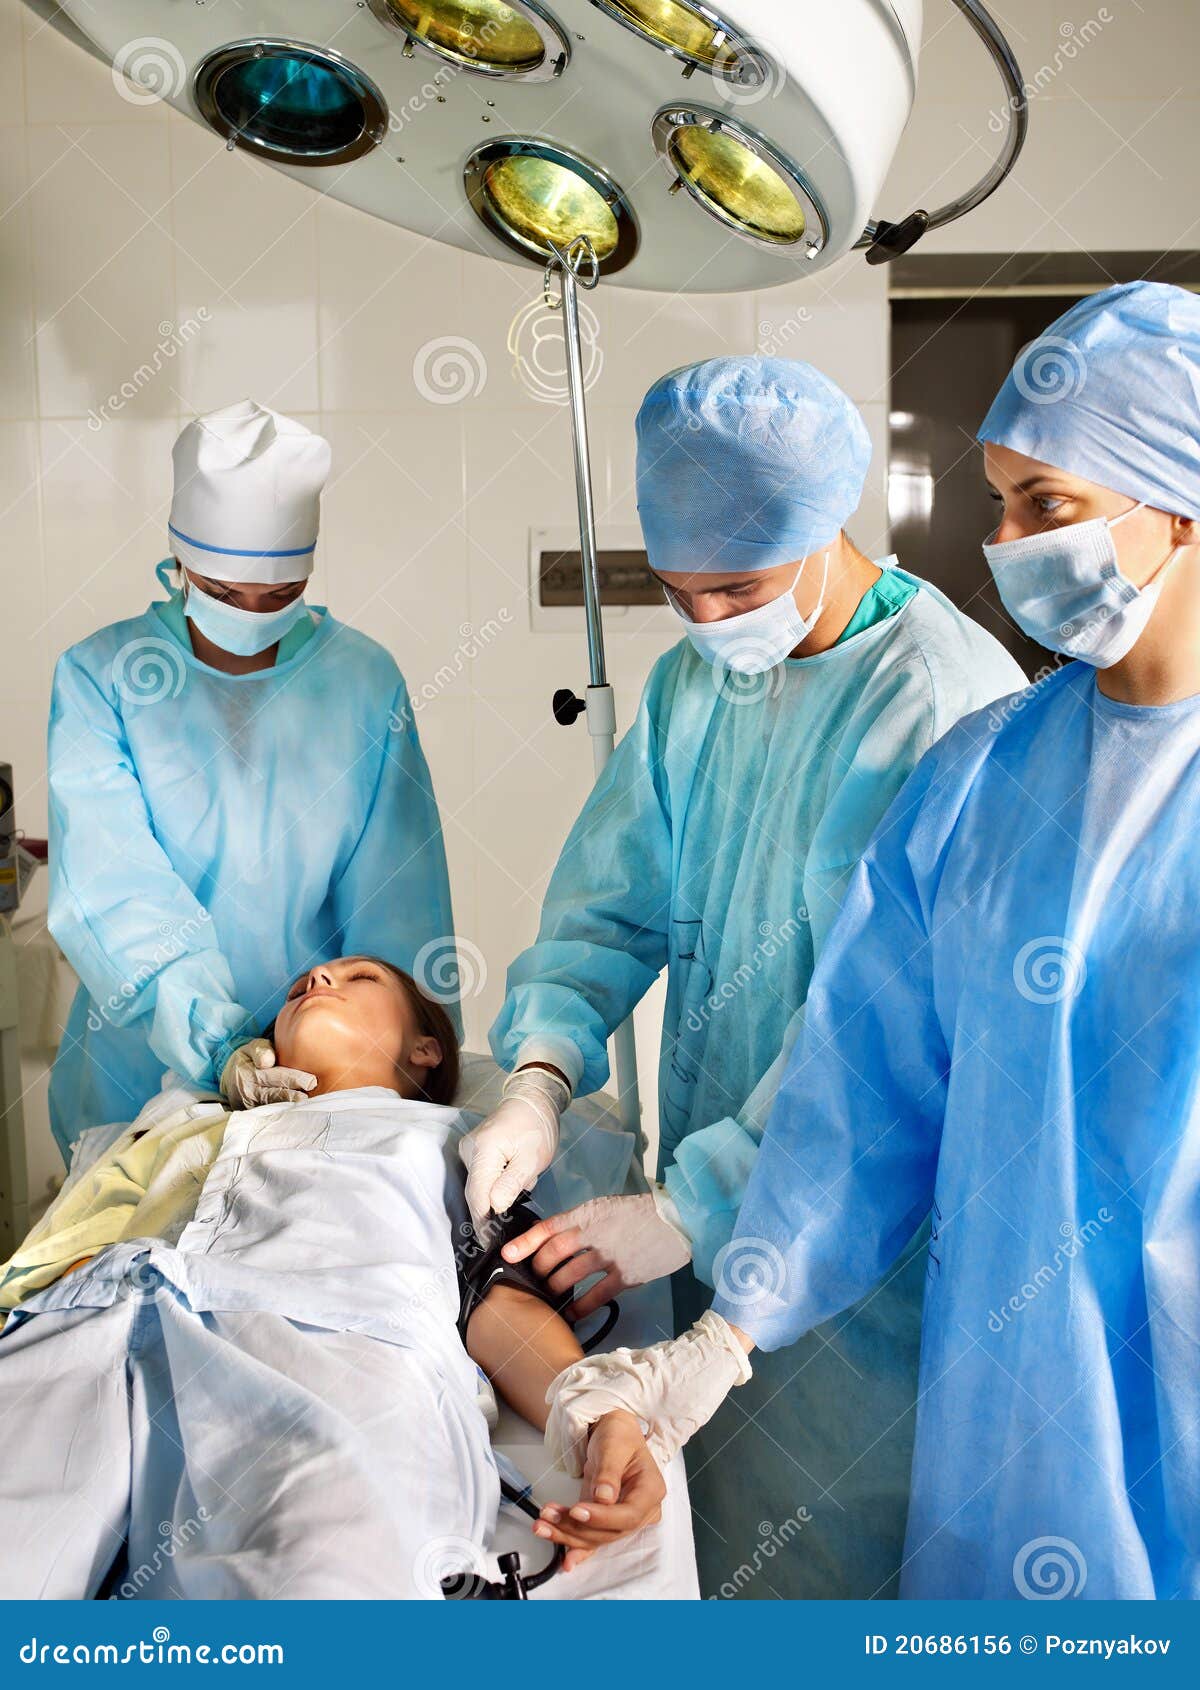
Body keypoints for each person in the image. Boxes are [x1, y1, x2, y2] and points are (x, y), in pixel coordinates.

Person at [536, 281, 1200, 1601]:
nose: (1003, 541)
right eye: (1001, 500)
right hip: (1007, 1396)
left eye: (1045, 506)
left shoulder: (942, 699)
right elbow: (867, 1089)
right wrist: (723, 1337)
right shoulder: (990, 773)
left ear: (1178, 509)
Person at [461, 357, 1026, 1598]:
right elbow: (612, 899)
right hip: (726, 1239)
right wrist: (542, 1073)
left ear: (824, 530)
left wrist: (694, 1205)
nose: (711, 624)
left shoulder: (944, 704)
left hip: (876, 1260)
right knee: (728, 1545)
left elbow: (892, 1040)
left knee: (853, 1559)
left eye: (738, 587)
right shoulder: (694, 685)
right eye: (678, 593)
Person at [0, 956, 665, 1598]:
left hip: (332, 1356)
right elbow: (66, 1241)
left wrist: (602, 1412)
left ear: (426, 1050)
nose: (317, 978)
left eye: (361, 977)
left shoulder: (456, 1141)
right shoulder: (183, 1125)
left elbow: (496, 1296)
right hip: (100, 1324)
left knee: (316, 1581)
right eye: (304, 984)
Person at [47, 399, 457, 1156]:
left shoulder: (361, 680)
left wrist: (389, 1086)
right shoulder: (103, 677)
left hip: (323, 1092)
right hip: (139, 1077)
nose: (252, 615)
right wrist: (217, 1045)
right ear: (179, 564)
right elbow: (114, 888)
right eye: (226, 594)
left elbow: (398, 908)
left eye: (280, 597)